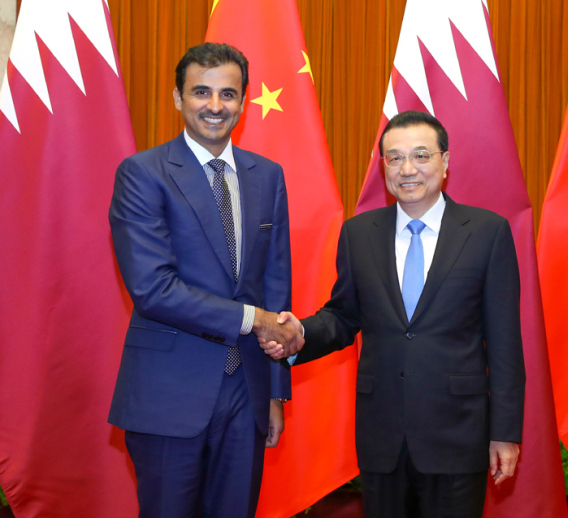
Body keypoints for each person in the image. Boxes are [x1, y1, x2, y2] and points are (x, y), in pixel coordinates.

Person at [262, 111, 526, 518]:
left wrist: (505, 433)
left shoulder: (487, 232)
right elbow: (344, 316)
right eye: (394, 158)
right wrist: (299, 333)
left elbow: (505, 342)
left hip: (458, 433)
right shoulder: (358, 233)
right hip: (382, 435)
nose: (407, 169)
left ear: (445, 161)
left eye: (421, 155)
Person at [108, 42, 303, 518]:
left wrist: (275, 392)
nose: (215, 106)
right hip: (169, 393)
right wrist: (252, 318)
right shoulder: (142, 173)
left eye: (228, 95)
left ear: (243, 100)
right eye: (201, 92)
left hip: (247, 393)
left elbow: (276, 285)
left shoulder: (268, 176)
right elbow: (153, 288)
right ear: (178, 98)